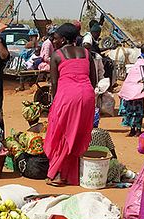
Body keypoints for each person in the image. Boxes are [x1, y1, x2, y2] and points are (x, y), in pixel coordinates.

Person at [44, 23, 96, 186]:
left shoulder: (57, 55)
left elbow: (54, 84)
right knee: (77, 133)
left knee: (61, 134)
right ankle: (73, 173)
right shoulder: (87, 53)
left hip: (67, 96)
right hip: (87, 95)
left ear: (64, 39)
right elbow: (93, 79)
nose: (54, 40)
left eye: (56, 38)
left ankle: (59, 174)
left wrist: (55, 106)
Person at [118, 56, 144, 136]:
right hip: (135, 96)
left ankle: (136, 130)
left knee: (135, 113)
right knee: (134, 113)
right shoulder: (142, 70)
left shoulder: (136, 70)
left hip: (135, 96)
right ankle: (134, 130)